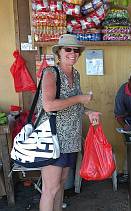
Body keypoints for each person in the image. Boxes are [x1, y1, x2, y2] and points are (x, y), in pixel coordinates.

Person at [37, 34, 100, 211]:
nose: (73, 53)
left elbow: (75, 106)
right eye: (68, 49)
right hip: (52, 138)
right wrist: (80, 98)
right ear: (59, 52)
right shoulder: (50, 73)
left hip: (71, 139)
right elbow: (49, 105)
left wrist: (88, 112)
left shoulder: (76, 74)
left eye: (76, 50)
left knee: (62, 183)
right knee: (50, 188)